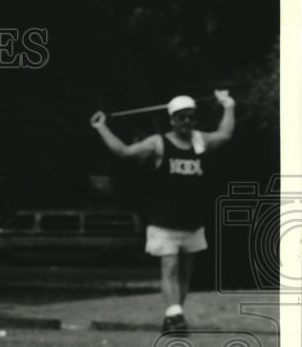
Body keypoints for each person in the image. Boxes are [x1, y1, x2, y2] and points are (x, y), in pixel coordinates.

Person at [90, 90, 236, 333]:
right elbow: (125, 152)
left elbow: (225, 134)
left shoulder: (200, 140)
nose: (187, 122)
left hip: (192, 223)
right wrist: (101, 128)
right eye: (181, 117)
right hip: (164, 221)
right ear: (172, 120)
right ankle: (175, 315)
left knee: (185, 274)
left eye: (190, 117)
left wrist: (228, 105)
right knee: (170, 268)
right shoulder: (158, 143)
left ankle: (173, 317)